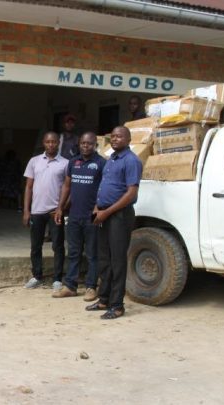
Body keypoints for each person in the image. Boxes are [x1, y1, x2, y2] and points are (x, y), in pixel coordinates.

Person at [86, 126, 142, 319]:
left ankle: (117, 306)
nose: (115, 139)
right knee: (104, 259)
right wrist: (96, 208)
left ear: (128, 139)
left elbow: (131, 193)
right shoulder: (111, 159)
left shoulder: (131, 161)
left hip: (119, 215)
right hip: (103, 213)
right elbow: (104, 187)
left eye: (120, 137)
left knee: (117, 261)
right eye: (113, 137)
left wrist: (107, 211)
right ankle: (104, 300)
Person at [52, 132, 107, 300]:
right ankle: (70, 286)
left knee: (92, 254)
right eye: (83, 143)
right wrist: (60, 208)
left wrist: (99, 207)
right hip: (74, 215)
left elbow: (105, 188)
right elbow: (67, 186)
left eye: (89, 143)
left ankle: (91, 287)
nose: (85, 146)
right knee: (74, 252)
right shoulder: (73, 162)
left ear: (95, 145)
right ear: (79, 144)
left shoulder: (101, 163)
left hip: (92, 216)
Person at [22, 132, 68, 290]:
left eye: (54, 142)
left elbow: (68, 189)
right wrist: (26, 211)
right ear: (43, 143)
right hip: (36, 211)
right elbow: (28, 187)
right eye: (48, 142)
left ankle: (57, 279)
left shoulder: (65, 163)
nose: (51, 144)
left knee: (58, 245)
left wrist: (61, 208)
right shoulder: (34, 161)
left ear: (58, 143)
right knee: (35, 246)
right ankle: (36, 276)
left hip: (55, 212)